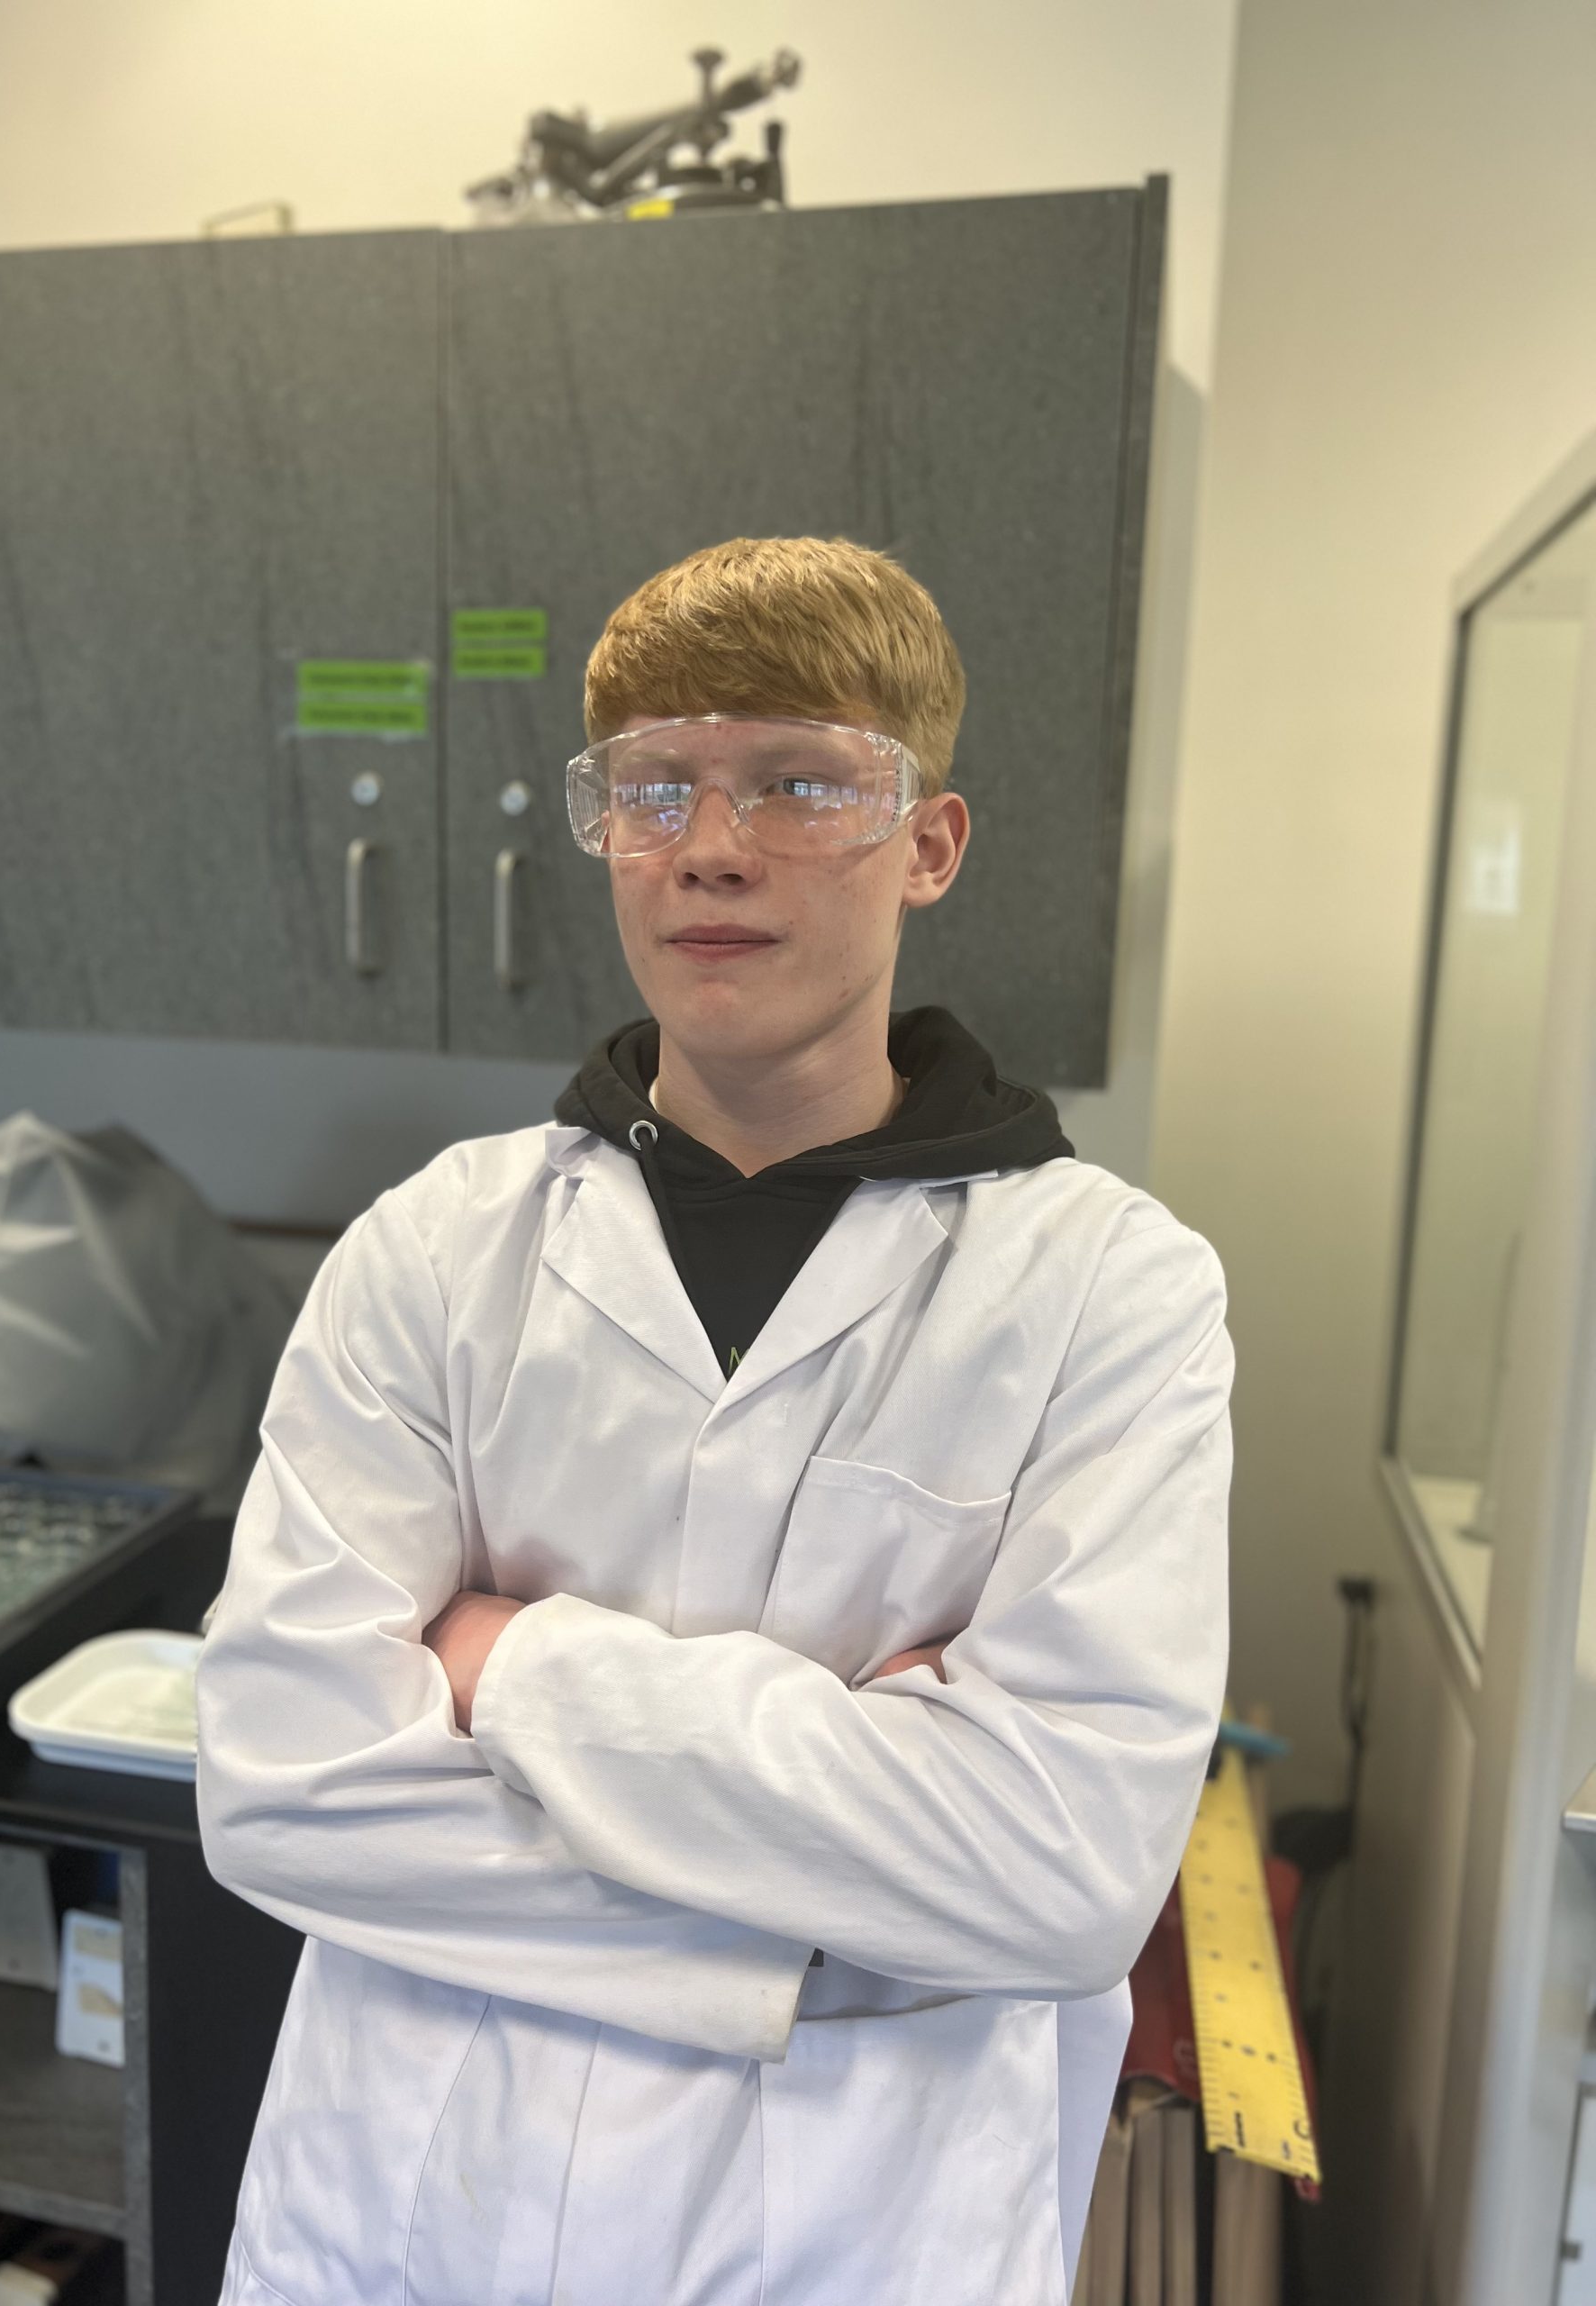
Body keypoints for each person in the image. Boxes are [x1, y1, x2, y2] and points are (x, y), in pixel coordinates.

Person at [195, 536, 1233, 2306]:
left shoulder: (1109, 1294)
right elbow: (279, 1787)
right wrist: (843, 1904)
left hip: (855, 2231)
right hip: (416, 2210)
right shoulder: (439, 1247)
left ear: (930, 840)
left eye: (803, 779)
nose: (715, 841)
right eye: (657, 782)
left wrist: (512, 1667)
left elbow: (1058, 1879)